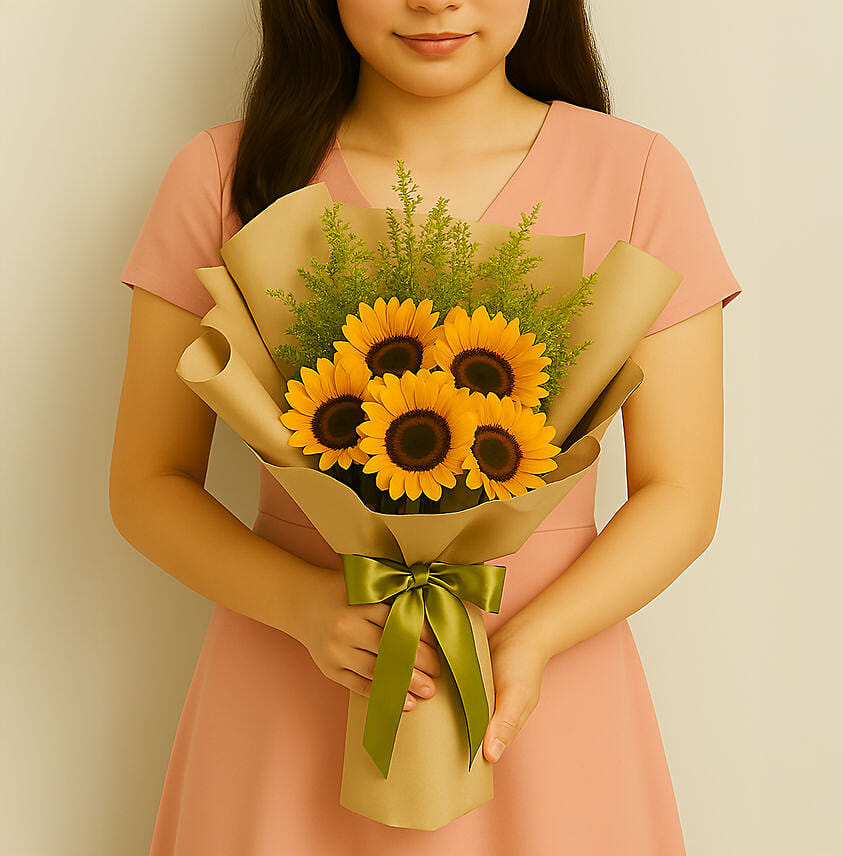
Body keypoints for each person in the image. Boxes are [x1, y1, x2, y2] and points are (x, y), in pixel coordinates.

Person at [109, 1, 742, 853]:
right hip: (291, 684)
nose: (435, 0)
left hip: (548, 694)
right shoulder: (227, 172)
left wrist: (532, 643)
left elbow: (682, 493)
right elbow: (147, 483)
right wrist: (306, 607)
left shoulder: (636, 174)